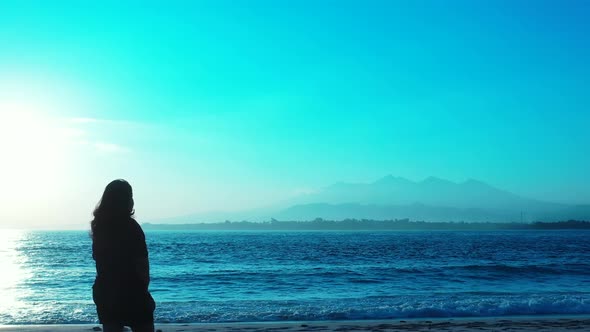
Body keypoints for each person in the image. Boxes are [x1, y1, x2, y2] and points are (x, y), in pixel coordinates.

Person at [91, 179, 155, 332]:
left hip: (106, 292)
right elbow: (142, 266)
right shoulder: (132, 228)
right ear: (128, 200)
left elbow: (100, 264)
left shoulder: (99, 228)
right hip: (132, 292)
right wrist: (143, 293)